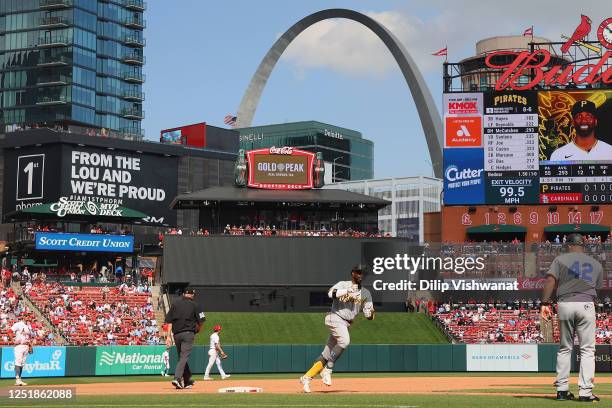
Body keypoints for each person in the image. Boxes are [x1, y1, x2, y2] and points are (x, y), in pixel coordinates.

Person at [540, 233, 603, 402]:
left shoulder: (560, 260)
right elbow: (598, 288)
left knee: (565, 347)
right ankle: (585, 393)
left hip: (565, 304)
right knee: (587, 350)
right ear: (583, 246)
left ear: (568, 245)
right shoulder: (596, 264)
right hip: (586, 304)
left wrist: (544, 303)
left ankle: (562, 391)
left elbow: (550, 281)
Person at [300, 265, 374, 393]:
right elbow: (330, 293)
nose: (360, 275)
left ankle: (307, 377)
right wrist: (347, 291)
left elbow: (370, 313)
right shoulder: (343, 284)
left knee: (326, 354)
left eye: (362, 273)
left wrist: (370, 315)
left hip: (346, 324)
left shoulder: (366, 293)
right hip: (335, 317)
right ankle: (328, 369)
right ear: (352, 273)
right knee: (344, 341)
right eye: (358, 272)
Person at [164, 288, 206, 389]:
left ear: (183, 294)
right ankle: (177, 378)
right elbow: (202, 320)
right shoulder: (195, 305)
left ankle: (187, 380)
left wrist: (168, 337)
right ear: (192, 295)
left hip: (176, 335)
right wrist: (198, 329)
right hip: (188, 333)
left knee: (182, 357)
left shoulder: (175, 304)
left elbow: (169, 321)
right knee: (183, 357)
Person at [11, 319, 33, 386]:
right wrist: (13, 341)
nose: (27, 317)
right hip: (19, 346)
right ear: (22, 317)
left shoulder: (28, 326)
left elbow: (28, 337)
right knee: (18, 362)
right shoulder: (18, 324)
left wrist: (30, 346)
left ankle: (19, 379)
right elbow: (9, 331)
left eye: (28, 316)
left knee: (22, 364)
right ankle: (17, 379)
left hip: (26, 346)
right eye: (26, 316)